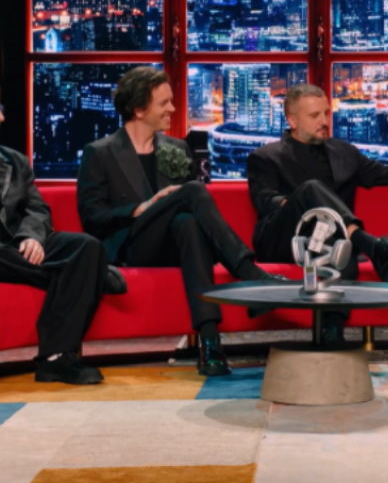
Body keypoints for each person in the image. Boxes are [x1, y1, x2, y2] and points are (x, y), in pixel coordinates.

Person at [77, 67, 285, 377]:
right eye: (164, 103)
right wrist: (140, 209)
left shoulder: (176, 148)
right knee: (193, 191)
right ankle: (249, 273)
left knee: (187, 223)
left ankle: (211, 345)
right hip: (132, 247)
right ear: (139, 109)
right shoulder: (99, 153)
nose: (173, 109)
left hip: (175, 243)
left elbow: (195, 216)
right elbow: (92, 218)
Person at [0, 78, 121, 385]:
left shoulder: (13, 161)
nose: (1, 116)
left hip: (14, 246)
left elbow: (37, 209)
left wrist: (31, 236)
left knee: (88, 246)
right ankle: (89, 276)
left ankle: (54, 359)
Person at [246, 83, 388, 340]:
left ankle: (333, 333)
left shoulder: (344, 152)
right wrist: (308, 205)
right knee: (312, 190)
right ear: (292, 121)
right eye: (314, 115)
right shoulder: (265, 156)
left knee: (339, 244)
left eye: (325, 113)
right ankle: (372, 246)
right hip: (285, 241)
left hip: (333, 241)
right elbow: (265, 201)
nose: (324, 121)